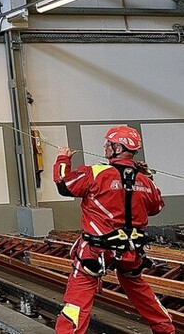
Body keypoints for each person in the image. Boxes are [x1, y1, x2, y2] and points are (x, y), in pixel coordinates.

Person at [53, 126, 173, 334]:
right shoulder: (145, 180)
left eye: (108, 143)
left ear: (118, 147)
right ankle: (165, 329)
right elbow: (156, 207)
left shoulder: (97, 173)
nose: (105, 146)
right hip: (131, 252)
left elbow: (64, 184)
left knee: (77, 298)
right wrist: (143, 180)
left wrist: (62, 158)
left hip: (96, 252)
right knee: (138, 287)